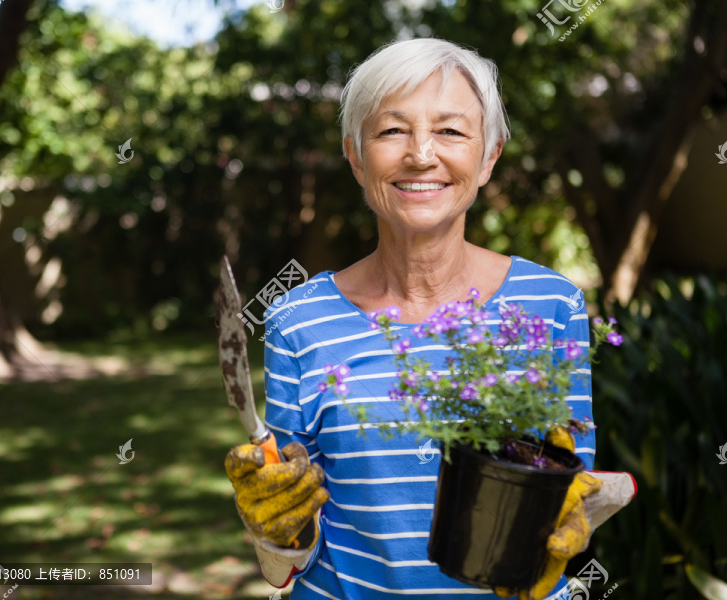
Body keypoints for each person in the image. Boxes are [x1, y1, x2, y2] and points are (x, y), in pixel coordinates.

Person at [225, 38, 635, 600]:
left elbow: (570, 495)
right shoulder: (298, 317)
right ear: (355, 155)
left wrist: (572, 517)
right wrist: (274, 533)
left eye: (451, 131)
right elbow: (294, 522)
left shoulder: (550, 305)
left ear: (488, 157)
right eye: (392, 130)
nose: (421, 154)